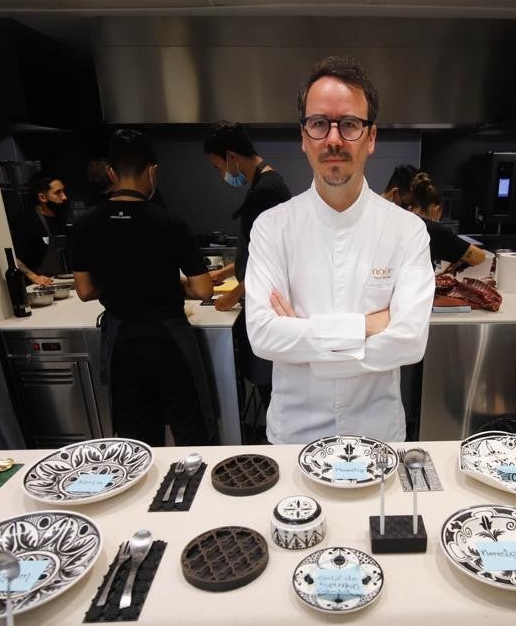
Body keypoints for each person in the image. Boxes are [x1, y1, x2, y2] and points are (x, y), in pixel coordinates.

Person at [245, 55, 435, 444]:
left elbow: (411, 341)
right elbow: (263, 336)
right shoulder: (271, 227)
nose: (333, 139)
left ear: (371, 137)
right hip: (294, 435)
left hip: (377, 436)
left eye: (348, 124)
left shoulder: (408, 231)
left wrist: (302, 337)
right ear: (303, 137)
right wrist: (365, 327)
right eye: (319, 124)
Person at [72, 129, 218, 446]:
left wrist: (121, 285)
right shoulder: (171, 223)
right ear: (152, 171)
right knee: (190, 430)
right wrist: (170, 284)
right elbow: (204, 290)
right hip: (169, 340)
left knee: (135, 436)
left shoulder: (85, 224)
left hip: (122, 341)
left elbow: (84, 290)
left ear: (111, 171)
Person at [202, 121, 292, 313]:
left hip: (266, 302)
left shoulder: (265, 192)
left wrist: (233, 295)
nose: (222, 173)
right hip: (259, 294)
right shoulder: (265, 184)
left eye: (218, 166)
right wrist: (224, 273)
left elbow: (270, 261)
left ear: (231, 156)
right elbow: (259, 253)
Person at [408, 172, 488, 271]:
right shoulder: (433, 230)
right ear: (437, 209)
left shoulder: (403, 222)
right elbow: (479, 257)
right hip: (418, 286)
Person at [13, 174, 69, 286]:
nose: (64, 197)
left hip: (58, 280)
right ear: (42, 197)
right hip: (37, 285)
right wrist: (33, 276)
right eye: (58, 192)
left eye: (63, 191)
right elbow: (15, 257)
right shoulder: (28, 221)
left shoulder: (60, 218)